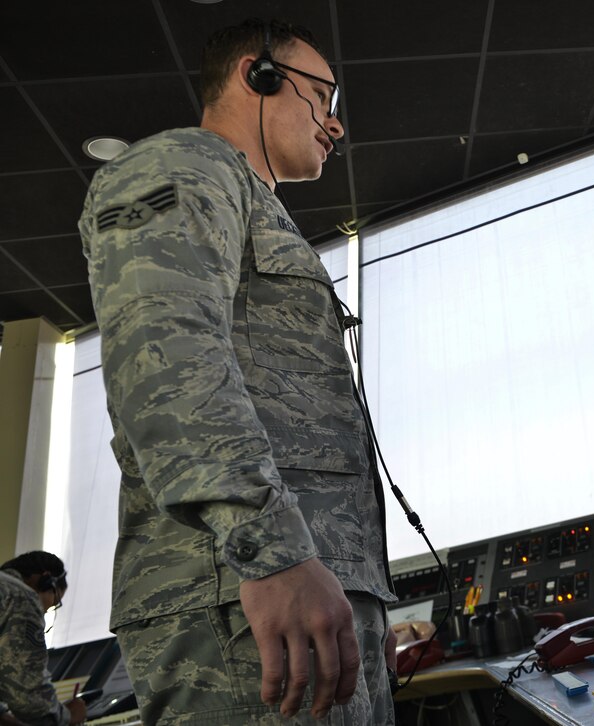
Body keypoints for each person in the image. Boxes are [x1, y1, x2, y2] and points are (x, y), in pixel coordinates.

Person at [78, 18, 398, 725]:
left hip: (298, 595)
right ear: (258, 77)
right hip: (246, 594)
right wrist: (272, 552)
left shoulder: (252, 206)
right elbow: (165, 353)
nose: (335, 125)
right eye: (323, 96)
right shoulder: (182, 165)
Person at [0, 551, 87, 726]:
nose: (45, 611)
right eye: (53, 603)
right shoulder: (20, 596)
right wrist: (68, 716)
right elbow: (27, 697)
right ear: (45, 580)